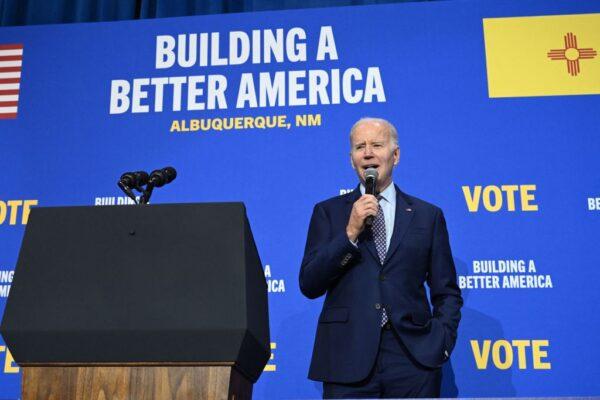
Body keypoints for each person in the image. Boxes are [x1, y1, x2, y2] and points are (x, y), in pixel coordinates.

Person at [299, 117, 463, 398]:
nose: (368, 153)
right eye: (359, 147)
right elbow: (310, 283)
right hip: (347, 358)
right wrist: (349, 233)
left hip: (413, 359)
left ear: (395, 155)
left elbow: (446, 292)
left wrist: (441, 341)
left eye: (376, 144)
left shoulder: (427, 216)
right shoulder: (328, 213)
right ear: (352, 160)